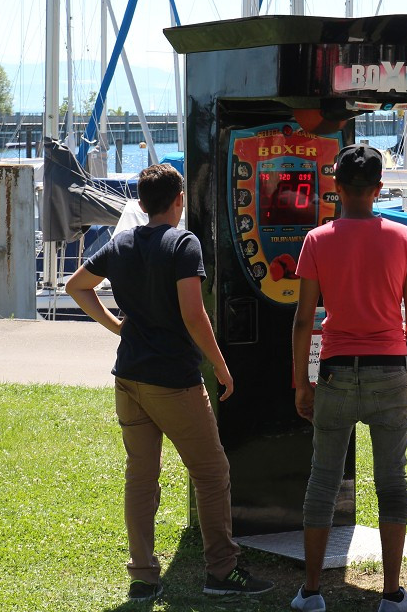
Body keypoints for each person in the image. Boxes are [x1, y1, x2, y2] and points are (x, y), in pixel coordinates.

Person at [66, 163, 273, 602]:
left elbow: (76, 286)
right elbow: (193, 314)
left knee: (141, 477)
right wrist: (220, 365)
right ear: (178, 201)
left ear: (140, 204)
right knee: (212, 472)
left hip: (128, 378)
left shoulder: (120, 243)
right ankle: (221, 570)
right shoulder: (183, 243)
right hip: (173, 381)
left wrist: (116, 326)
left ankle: (143, 575)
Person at [291, 144, 407, 612]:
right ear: (378, 189)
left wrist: (300, 383)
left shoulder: (317, 240)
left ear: (336, 187)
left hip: (335, 371)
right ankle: (392, 593)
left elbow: (303, 320)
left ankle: (311, 591)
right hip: (390, 368)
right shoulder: (404, 238)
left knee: (323, 482)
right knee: (392, 481)